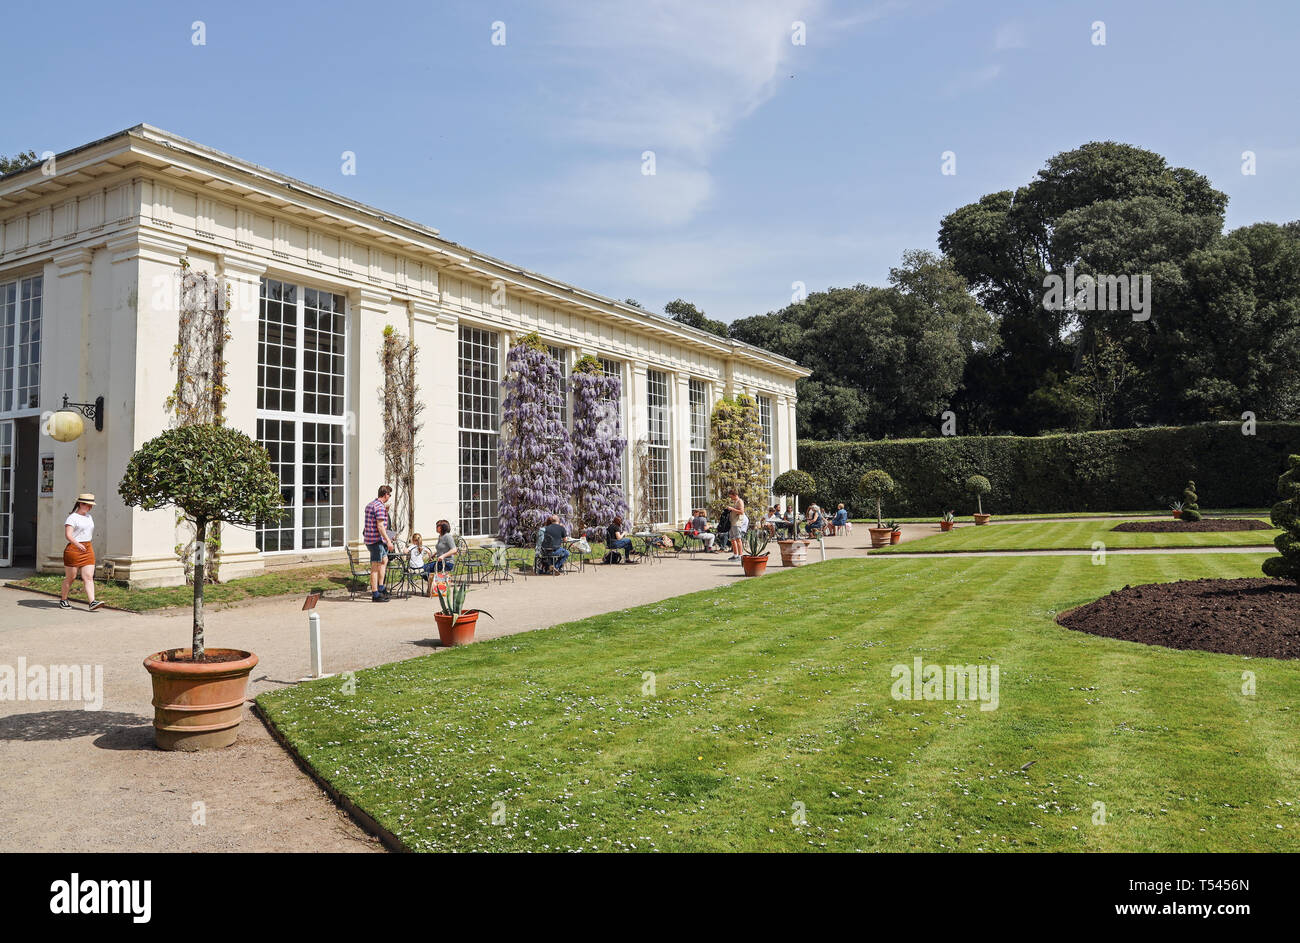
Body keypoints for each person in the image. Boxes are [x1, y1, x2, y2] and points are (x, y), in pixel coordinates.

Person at [60, 493, 103, 611]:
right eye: (88, 505)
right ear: (80, 503)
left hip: (88, 548)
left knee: (88, 576)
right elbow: (68, 535)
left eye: (91, 505)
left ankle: (92, 602)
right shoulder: (72, 518)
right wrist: (78, 544)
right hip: (74, 549)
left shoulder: (89, 517)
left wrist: (84, 544)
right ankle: (63, 600)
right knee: (71, 577)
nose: (90, 507)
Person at [363, 484, 396, 602]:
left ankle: (381, 587)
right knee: (375, 567)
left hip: (370, 539)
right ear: (386, 494)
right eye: (389, 494)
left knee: (384, 560)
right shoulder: (380, 507)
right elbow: (380, 526)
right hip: (376, 541)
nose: (389, 497)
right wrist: (388, 541)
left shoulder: (371, 505)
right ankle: (375, 594)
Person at [725, 490, 747, 561]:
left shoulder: (740, 501)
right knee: (732, 539)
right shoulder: (734, 502)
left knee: (738, 539)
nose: (730, 498)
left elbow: (741, 512)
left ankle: (740, 556)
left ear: (734, 495)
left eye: (731, 496)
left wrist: (732, 509)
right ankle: (735, 554)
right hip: (732, 522)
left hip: (737, 523)